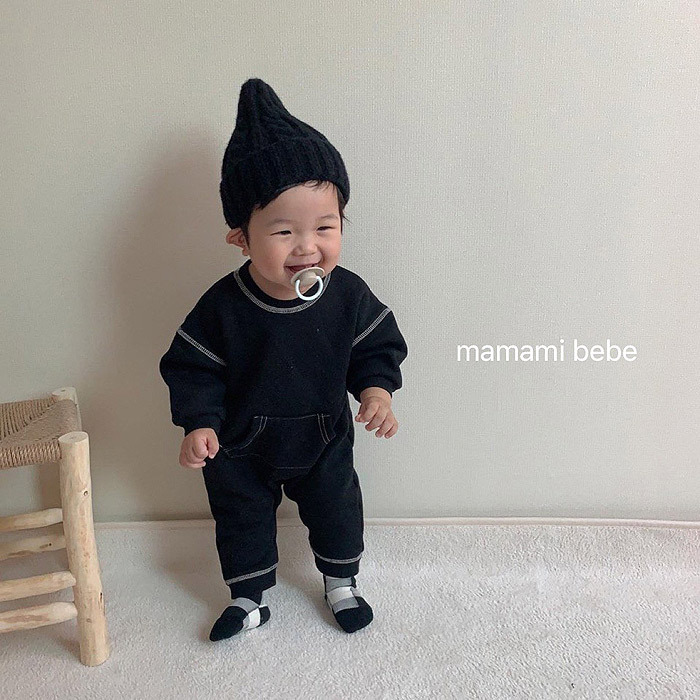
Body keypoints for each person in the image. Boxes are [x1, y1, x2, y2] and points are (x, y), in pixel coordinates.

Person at [159, 78, 408, 640]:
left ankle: (341, 583)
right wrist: (199, 422)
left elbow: (376, 345)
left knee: (337, 507)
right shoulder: (224, 306)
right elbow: (192, 366)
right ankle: (248, 597)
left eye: (325, 227)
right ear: (241, 239)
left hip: (322, 437)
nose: (307, 246)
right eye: (283, 231)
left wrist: (376, 390)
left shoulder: (348, 295)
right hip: (239, 443)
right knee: (240, 514)